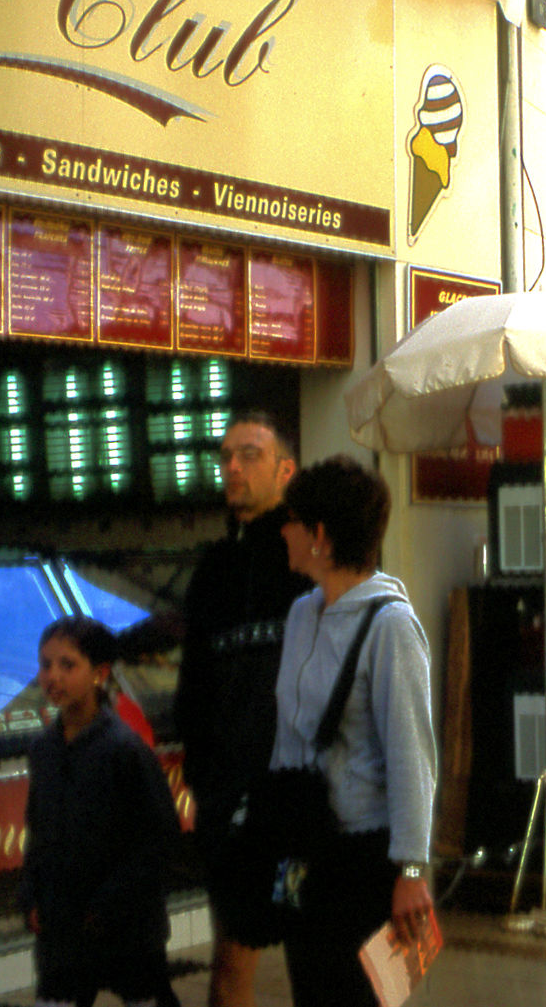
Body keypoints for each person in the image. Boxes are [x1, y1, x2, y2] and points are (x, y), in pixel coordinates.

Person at [271, 456, 437, 1007]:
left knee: (359, 997)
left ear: (320, 535)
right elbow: (288, 734)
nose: (283, 531)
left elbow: (412, 754)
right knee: (310, 993)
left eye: (292, 520)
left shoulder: (391, 626)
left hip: (365, 857)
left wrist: (411, 867)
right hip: (305, 843)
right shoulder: (302, 615)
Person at [174, 411, 311, 1007]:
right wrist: (205, 781)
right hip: (231, 809)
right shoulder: (214, 570)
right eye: (226, 456)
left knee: (315, 952)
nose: (233, 467)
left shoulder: (308, 561)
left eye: (250, 454)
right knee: (231, 963)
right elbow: (195, 682)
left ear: (285, 470)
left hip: (302, 808)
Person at [23, 616, 182, 1007]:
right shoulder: (44, 749)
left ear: (100, 673)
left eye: (67, 665)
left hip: (127, 929)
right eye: (46, 664)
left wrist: (105, 906)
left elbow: (159, 838)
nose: (53, 677)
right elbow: (39, 833)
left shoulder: (124, 750)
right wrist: (31, 897)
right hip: (62, 930)